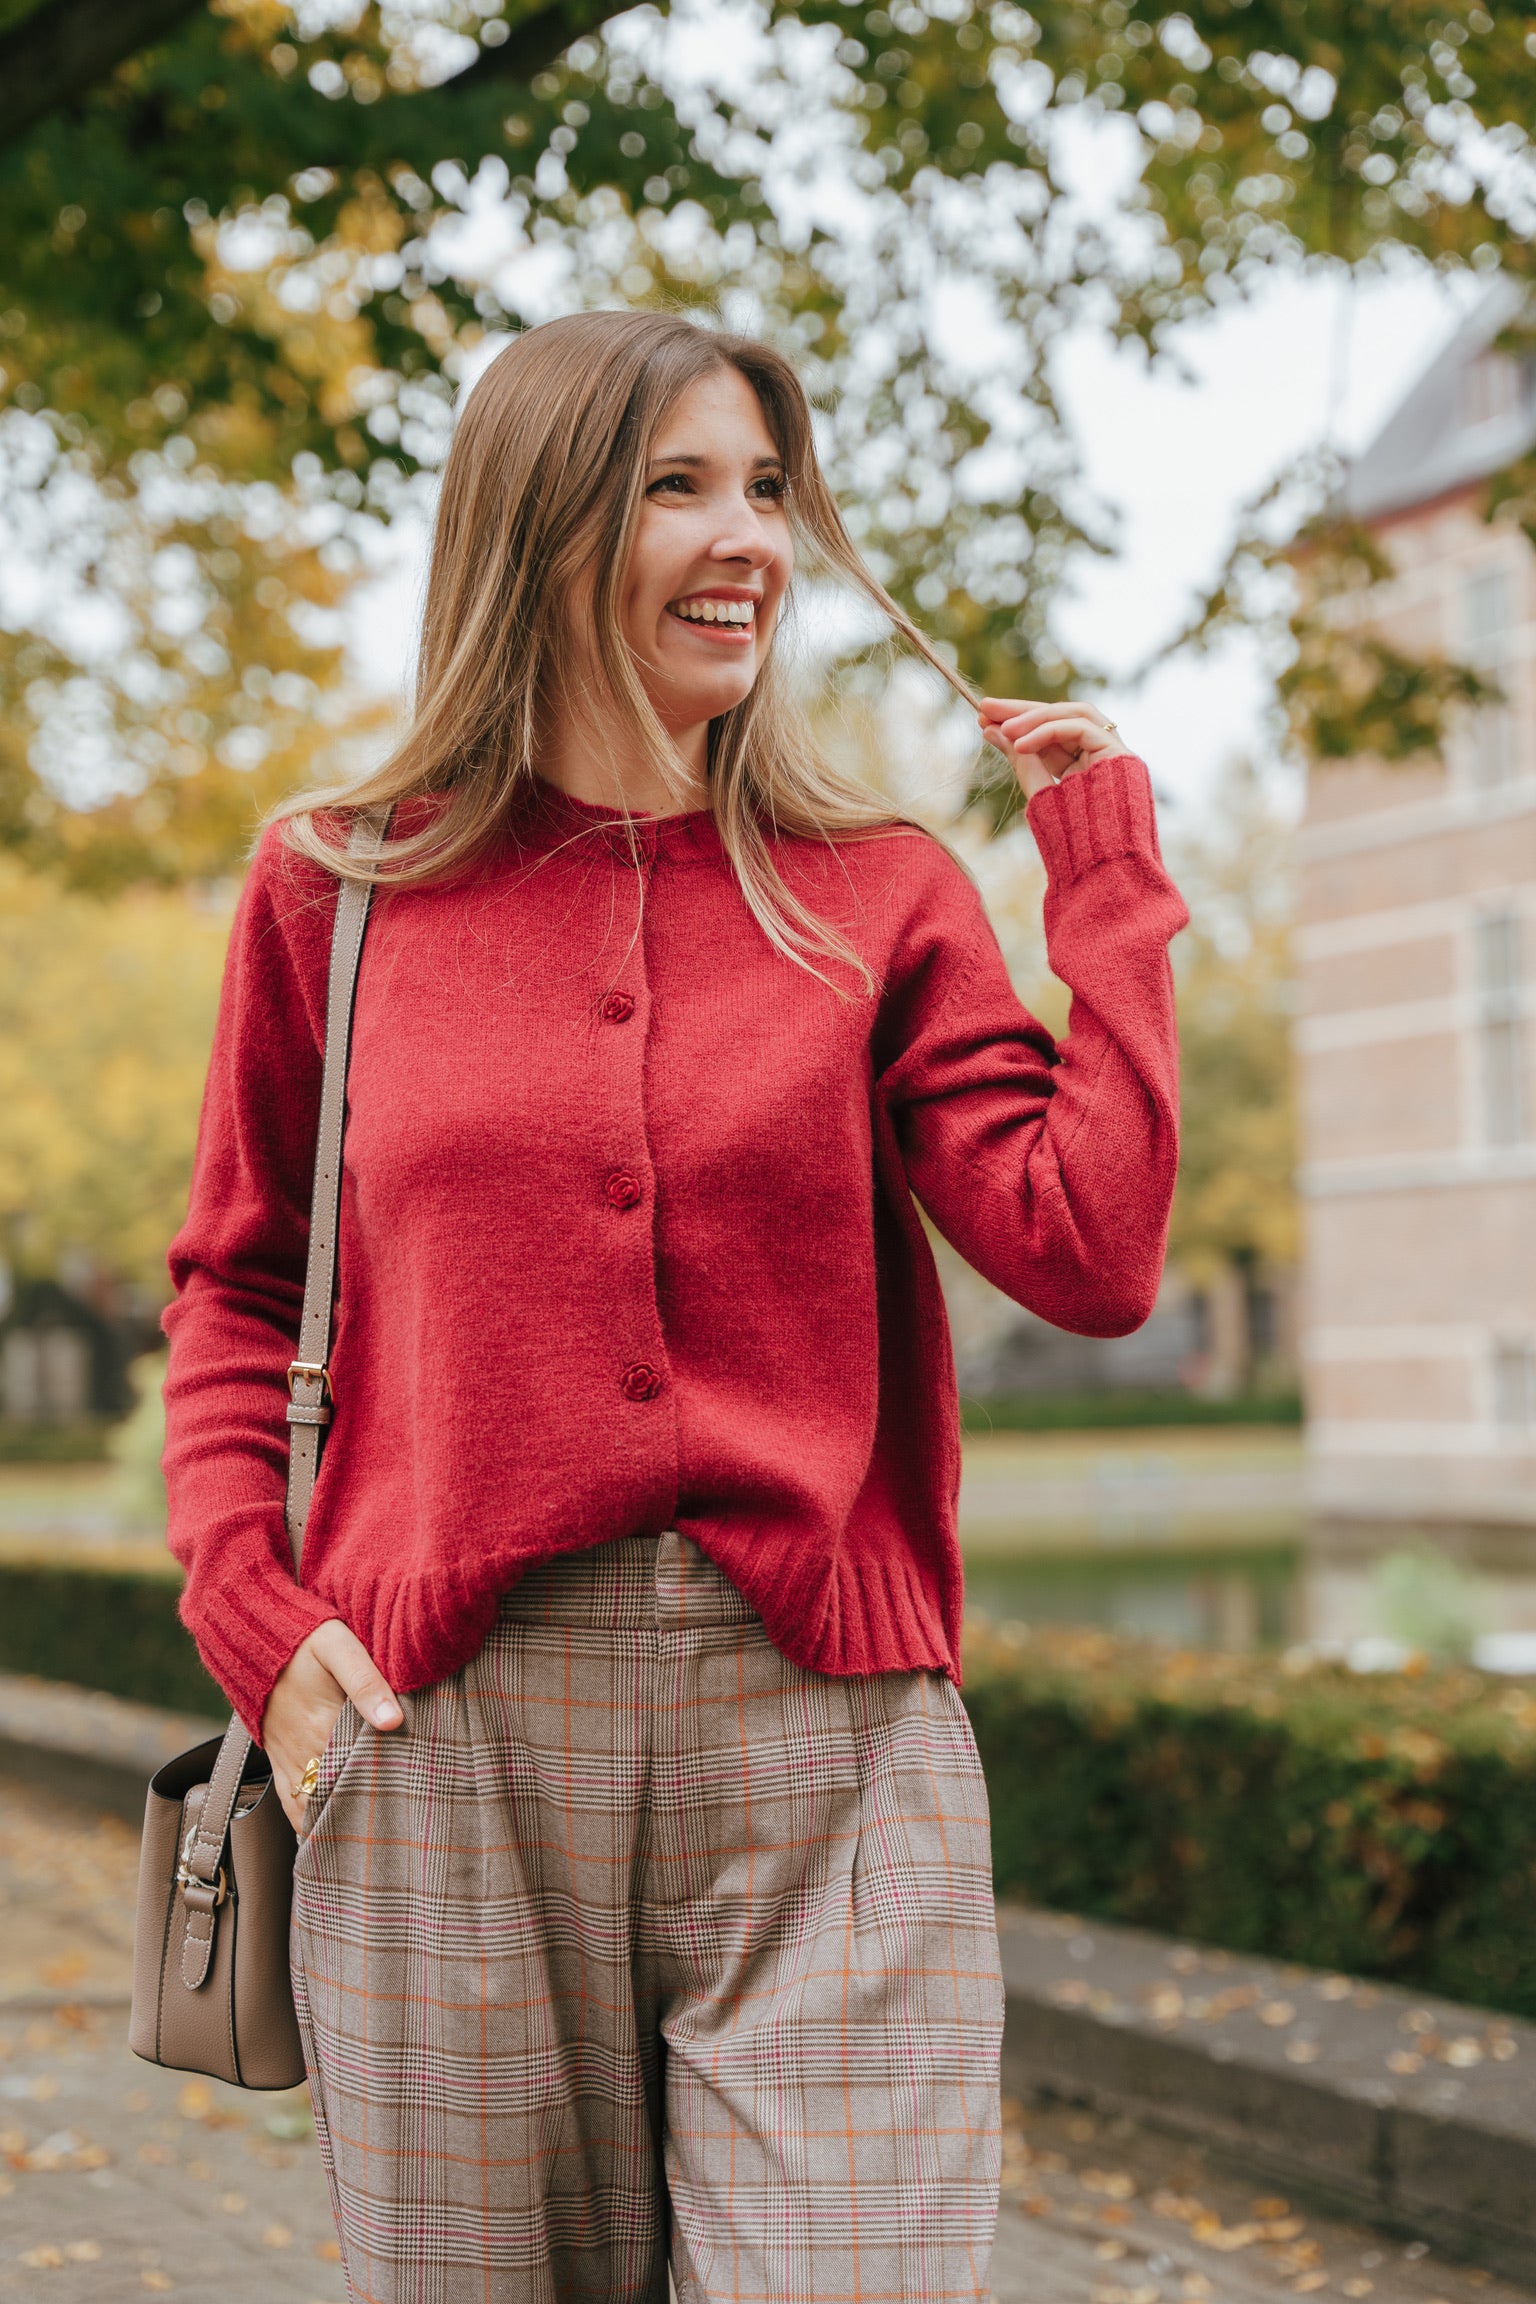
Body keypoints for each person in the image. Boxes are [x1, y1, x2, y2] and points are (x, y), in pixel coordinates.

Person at [161, 308, 1188, 2304]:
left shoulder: (875, 890)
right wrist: (249, 1618)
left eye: (770, 492)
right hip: (438, 1739)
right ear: (540, 526)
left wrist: (1109, 891)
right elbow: (240, 1282)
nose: (754, 542)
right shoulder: (337, 891)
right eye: (680, 488)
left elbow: (1090, 1250)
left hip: (825, 1748)